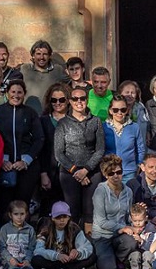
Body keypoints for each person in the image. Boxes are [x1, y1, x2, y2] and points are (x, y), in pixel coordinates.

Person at [0, 79, 45, 211]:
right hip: (4, 166)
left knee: (22, 204)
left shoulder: (30, 113)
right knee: (4, 204)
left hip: (26, 167)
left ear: (24, 94)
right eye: (13, 92)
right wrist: (1, 160)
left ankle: (24, 230)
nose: (16, 95)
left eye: (20, 92)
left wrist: (26, 161)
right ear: (7, 93)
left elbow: (39, 139)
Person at [55, 86, 106, 228]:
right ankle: (72, 243)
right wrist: (75, 171)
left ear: (87, 100)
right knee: (72, 211)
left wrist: (86, 170)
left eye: (82, 98)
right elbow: (59, 153)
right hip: (68, 172)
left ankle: (89, 244)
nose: (79, 101)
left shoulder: (95, 122)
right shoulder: (63, 124)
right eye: (75, 98)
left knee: (90, 210)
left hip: (92, 171)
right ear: (70, 101)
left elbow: (100, 149)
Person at [88, 155, 137, 269]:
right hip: (102, 236)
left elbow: (128, 217)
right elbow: (101, 222)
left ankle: (115, 259)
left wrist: (136, 224)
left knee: (132, 243)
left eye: (119, 172)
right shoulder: (100, 191)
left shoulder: (128, 191)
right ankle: (101, 262)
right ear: (105, 175)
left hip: (120, 236)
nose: (115, 176)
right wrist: (122, 228)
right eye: (111, 173)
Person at [32, 201, 95, 269]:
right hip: (53, 260)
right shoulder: (45, 230)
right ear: (53, 218)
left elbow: (87, 247)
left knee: (92, 256)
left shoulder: (75, 229)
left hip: (70, 260)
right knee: (36, 260)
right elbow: (38, 250)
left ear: (68, 217)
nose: (62, 220)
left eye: (64, 216)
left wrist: (78, 252)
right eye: (58, 217)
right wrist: (56, 256)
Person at [38, 83, 72, 210]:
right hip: (49, 172)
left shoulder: (73, 120)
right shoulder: (43, 121)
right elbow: (41, 150)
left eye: (62, 99)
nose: (58, 103)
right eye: (54, 100)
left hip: (69, 172)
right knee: (48, 209)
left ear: (68, 101)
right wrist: (43, 173)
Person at [104, 92, 147, 183]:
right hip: (110, 173)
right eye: (115, 110)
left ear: (127, 110)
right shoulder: (104, 127)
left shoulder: (134, 127)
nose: (119, 112)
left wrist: (138, 164)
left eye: (123, 110)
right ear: (110, 111)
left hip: (129, 172)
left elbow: (140, 148)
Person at [20, 40, 70, 113]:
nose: (41, 57)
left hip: (49, 115)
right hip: (28, 115)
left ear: (49, 56)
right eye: (38, 54)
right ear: (33, 55)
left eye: (45, 54)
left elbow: (72, 84)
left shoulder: (57, 70)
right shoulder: (25, 69)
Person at [0, 200, 37, 269]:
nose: (19, 217)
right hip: (10, 260)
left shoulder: (30, 229)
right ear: (10, 215)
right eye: (16, 214)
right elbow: (2, 248)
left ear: (26, 214)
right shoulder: (5, 229)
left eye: (22, 214)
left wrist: (27, 260)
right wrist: (10, 259)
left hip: (24, 260)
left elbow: (31, 247)